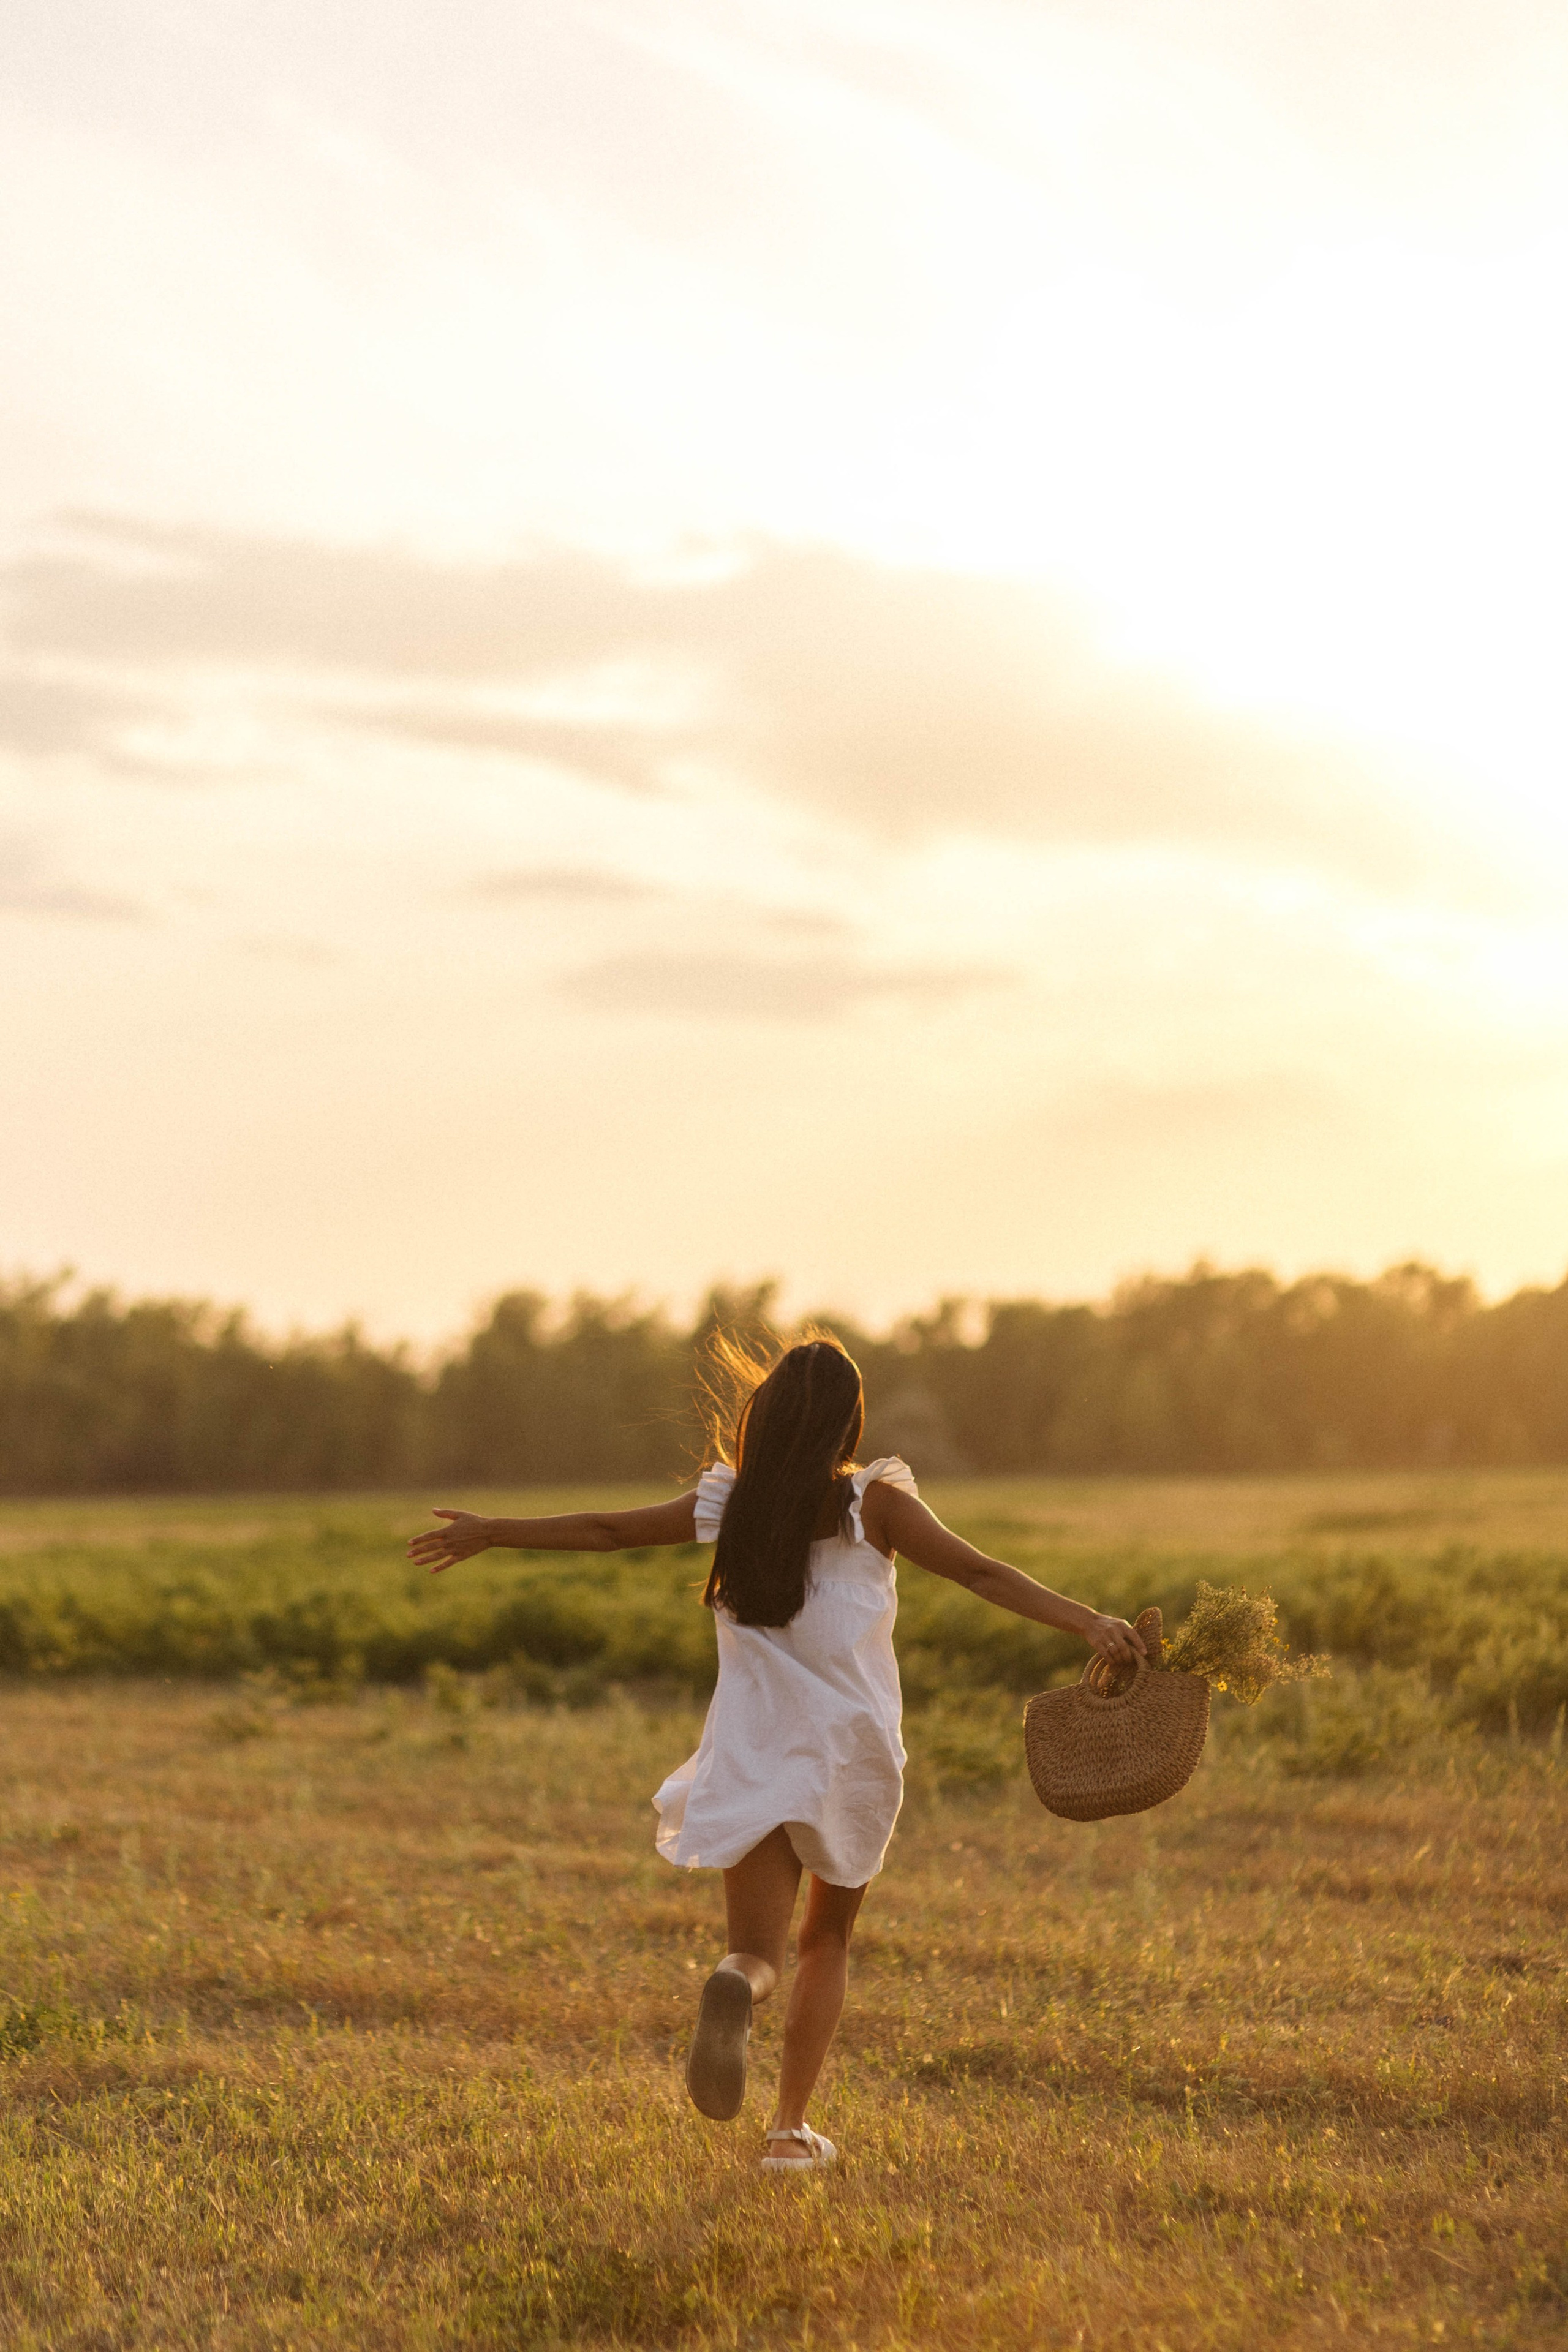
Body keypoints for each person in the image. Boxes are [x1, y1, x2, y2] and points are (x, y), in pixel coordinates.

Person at [406, 1333, 1145, 2173]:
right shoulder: (876, 1505)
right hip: (849, 1757)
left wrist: (494, 1530)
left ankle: (737, 1989)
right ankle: (789, 2132)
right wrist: (1086, 1620)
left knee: (758, 1951)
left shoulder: (730, 1506)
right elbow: (982, 1574)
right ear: (846, 1423)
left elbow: (609, 1530)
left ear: (766, 1419)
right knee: (827, 1942)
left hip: (753, 1753)